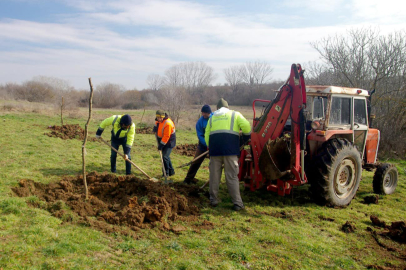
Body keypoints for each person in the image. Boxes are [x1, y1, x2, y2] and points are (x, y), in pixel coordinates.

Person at [205, 98, 251, 211]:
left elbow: (207, 135)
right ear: (227, 107)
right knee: (231, 177)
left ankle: (213, 200)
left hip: (215, 151)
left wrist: (210, 147)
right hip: (230, 151)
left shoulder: (212, 118)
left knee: (214, 176)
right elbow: (247, 127)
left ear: (217, 108)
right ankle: (237, 203)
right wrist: (245, 137)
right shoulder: (235, 115)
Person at [183, 105, 213, 184]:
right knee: (195, 162)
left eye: (205, 113)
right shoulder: (200, 121)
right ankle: (188, 179)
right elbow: (200, 135)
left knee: (214, 164)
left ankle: (213, 182)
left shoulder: (215, 118)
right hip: (203, 145)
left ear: (209, 112)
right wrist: (207, 145)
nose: (203, 114)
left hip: (214, 146)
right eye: (202, 113)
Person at [153, 110, 176, 177]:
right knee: (166, 156)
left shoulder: (168, 123)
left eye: (160, 118)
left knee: (165, 156)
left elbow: (166, 136)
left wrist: (161, 145)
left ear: (163, 117)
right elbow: (157, 124)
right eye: (157, 117)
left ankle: (166, 173)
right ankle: (171, 171)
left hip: (169, 141)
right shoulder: (158, 121)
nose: (158, 119)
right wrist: (155, 128)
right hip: (162, 139)